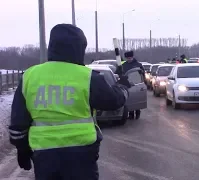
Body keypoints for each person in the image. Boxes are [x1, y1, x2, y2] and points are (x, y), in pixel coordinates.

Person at [8, 24, 131, 180]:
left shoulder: (30, 76)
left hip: (44, 156)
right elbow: (114, 101)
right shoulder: (87, 76)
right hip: (82, 155)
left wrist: (22, 149)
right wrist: (123, 87)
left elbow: (18, 121)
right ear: (79, 48)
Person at [115, 50, 144, 120]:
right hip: (127, 85)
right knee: (129, 100)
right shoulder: (124, 65)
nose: (129, 59)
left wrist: (142, 82)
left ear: (132, 57)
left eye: (130, 58)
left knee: (136, 99)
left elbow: (142, 75)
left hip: (136, 85)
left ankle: (137, 112)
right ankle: (130, 114)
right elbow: (119, 74)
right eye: (128, 58)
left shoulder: (138, 65)